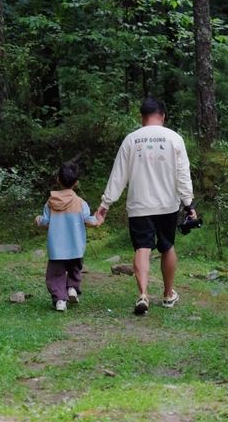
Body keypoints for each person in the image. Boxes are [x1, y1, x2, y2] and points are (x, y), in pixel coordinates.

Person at [96, 96, 196, 315]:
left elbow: (118, 176)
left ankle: (143, 294)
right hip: (167, 205)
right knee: (167, 246)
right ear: (163, 115)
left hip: (139, 204)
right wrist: (189, 204)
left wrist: (105, 204)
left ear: (142, 117)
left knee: (142, 247)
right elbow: (183, 175)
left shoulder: (132, 139)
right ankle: (168, 294)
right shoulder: (174, 139)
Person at [35, 160, 103, 312]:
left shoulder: (50, 203)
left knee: (55, 274)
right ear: (76, 183)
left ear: (58, 180)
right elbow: (89, 221)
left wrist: (38, 219)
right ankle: (72, 288)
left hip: (56, 248)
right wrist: (99, 220)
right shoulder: (81, 203)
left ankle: (60, 300)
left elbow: (45, 222)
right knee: (74, 268)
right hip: (76, 247)